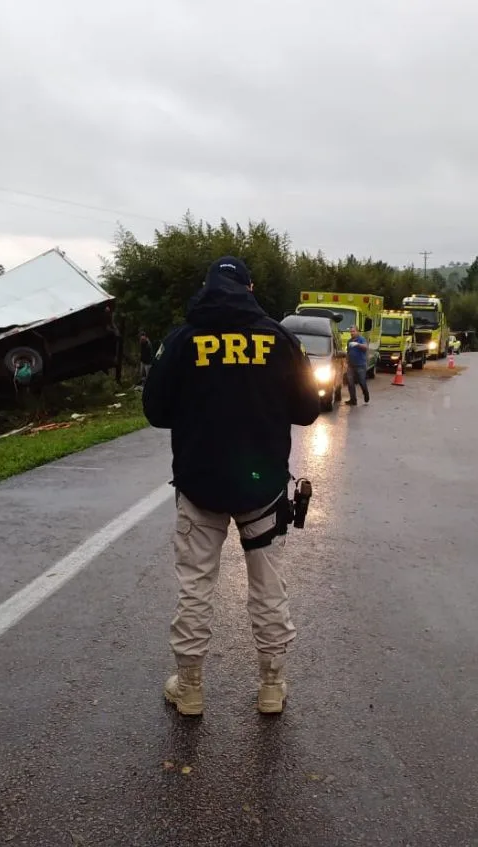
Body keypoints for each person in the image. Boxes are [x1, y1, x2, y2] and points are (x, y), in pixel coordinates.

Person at [142, 256, 321, 717]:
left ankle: (191, 687)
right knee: (268, 586)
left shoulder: (182, 339)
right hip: (261, 484)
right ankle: (271, 686)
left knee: (196, 587)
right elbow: (306, 410)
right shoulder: (279, 340)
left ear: (207, 288)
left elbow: (155, 411)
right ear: (251, 287)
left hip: (200, 481)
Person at [345, 325, 369, 405]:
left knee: (362, 382)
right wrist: (346, 362)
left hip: (360, 365)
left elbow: (365, 347)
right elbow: (348, 352)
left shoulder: (361, 339)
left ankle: (366, 393)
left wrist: (357, 344)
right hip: (351, 365)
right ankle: (353, 400)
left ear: (357, 331)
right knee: (350, 383)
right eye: (351, 331)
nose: (352, 333)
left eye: (353, 331)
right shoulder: (349, 341)